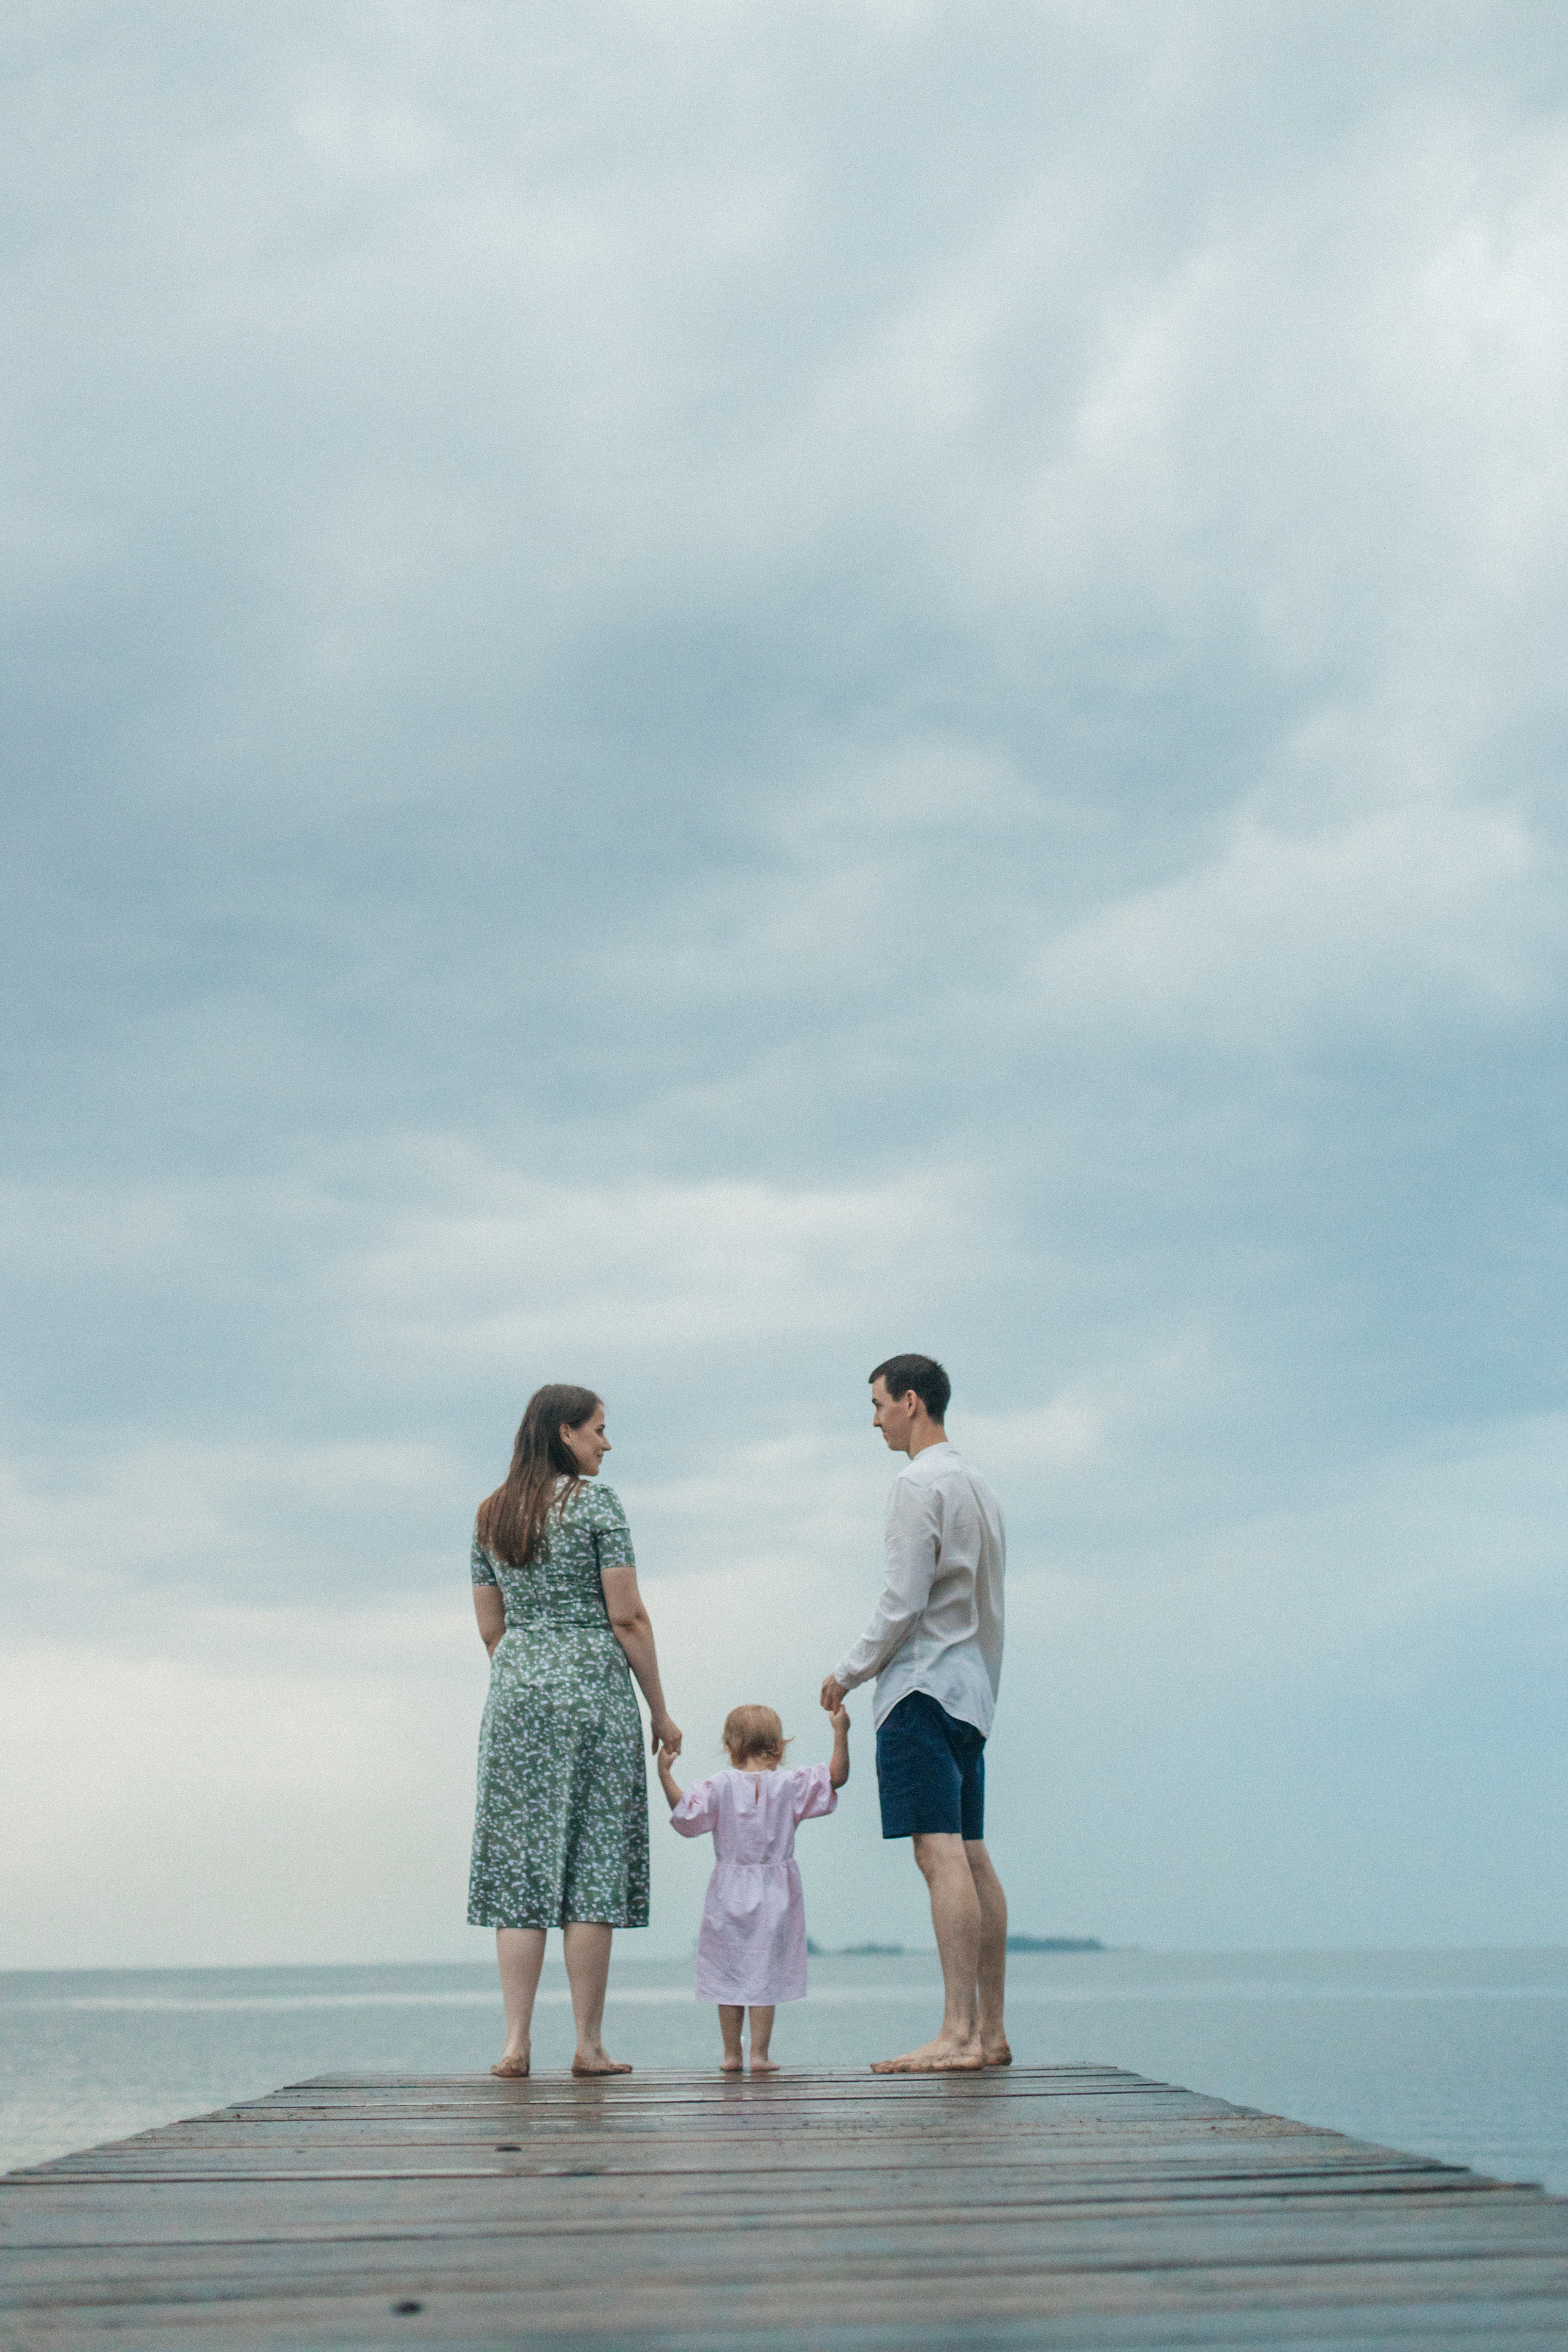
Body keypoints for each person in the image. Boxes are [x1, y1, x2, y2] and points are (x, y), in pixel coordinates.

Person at [468, 1384, 682, 2078]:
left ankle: (515, 2043)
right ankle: (588, 2045)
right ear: (564, 1432)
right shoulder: (597, 1505)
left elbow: (492, 1628)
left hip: (517, 1694)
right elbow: (627, 1616)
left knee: (520, 1866)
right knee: (592, 1865)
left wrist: (529, 1678)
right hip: (593, 1692)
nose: (605, 1443)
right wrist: (659, 1708)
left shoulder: (491, 1514)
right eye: (598, 1430)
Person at [820, 1354, 1009, 2074]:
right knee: (971, 1851)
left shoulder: (915, 1484)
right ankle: (989, 2032)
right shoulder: (981, 1486)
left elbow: (902, 1600)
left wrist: (847, 1672)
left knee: (938, 1853)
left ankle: (957, 2033)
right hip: (972, 1692)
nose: (874, 1421)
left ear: (910, 1401)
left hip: (921, 1689)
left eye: (877, 1405)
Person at [658, 1702, 850, 2076]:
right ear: (778, 1746)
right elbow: (836, 1777)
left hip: (728, 1888)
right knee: (765, 1972)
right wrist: (840, 1731)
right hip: (776, 1890)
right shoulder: (790, 1785)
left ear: (731, 1748)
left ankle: (732, 2055)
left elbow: (686, 1813)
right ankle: (760, 2056)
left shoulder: (719, 1786)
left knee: (726, 1972)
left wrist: (665, 1774)